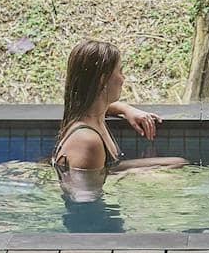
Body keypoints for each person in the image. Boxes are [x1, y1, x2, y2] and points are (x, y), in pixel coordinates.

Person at [51, 40, 185, 204]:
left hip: (105, 173)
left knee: (179, 164)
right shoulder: (87, 141)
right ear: (103, 80)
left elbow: (101, 105)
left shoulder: (91, 113)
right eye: (120, 71)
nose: (123, 78)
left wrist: (126, 109)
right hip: (94, 213)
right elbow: (86, 203)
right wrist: (131, 176)